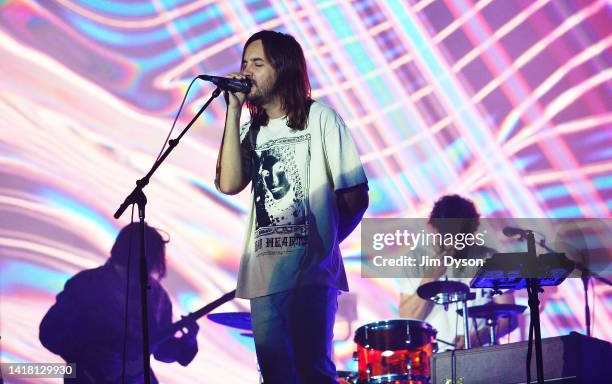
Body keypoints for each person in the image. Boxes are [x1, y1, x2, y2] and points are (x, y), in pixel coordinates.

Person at [215, 30, 369, 383]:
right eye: (244, 63)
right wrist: (234, 111)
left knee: (313, 372)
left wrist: (320, 243)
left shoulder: (322, 119)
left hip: (310, 276)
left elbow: (356, 198)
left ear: (282, 69)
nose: (246, 72)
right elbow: (228, 184)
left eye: (257, 63)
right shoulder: (252, 130)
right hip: (263, 277)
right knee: (275, 376)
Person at [39, 223, 199, 383]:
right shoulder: (88, 284)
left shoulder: (158, 297)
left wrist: (187, 342)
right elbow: (49, 332)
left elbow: (161, 351)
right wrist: (89, 359)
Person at [399, 195, 517, 349]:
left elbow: (510, 319)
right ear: (432, 227)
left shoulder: (492, 259)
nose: (454, 243)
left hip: (482, 354)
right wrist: (432, 276)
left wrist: (477, 337)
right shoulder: (415, 259)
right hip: (433, 357)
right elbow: (408, 319)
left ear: (473, 230)